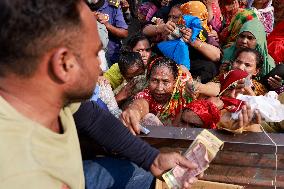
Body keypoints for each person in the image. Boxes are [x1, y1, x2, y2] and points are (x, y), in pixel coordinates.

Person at [0, 0, 201, 188]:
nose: (101, 66)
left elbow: (94, 118)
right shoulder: (18, 173)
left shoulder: (50, 94)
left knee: (143, 174)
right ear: (63, 64)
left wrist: (152, 159)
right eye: (96, 53)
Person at [121, 57, 221, 133]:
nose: (159, 88)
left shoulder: (185, 91)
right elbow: (141, 103)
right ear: (149, 79)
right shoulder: (146, 92)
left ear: (175, 81)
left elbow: (217, 90)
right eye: (154, 80)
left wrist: (196, 86)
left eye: (165, 82)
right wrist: (134, 111)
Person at [143, 4, 221, 83]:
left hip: (190, 69)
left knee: (210, 67)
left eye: (175, 18)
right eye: (169, 17)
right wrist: (160, 29)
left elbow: (217, 56)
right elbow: (144, 31)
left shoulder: (199, 31)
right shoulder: (164, 30)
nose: (170, 21)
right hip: (166, 67)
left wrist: (192, 40)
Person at [87, 0, 129, 65]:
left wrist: (106, 24)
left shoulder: (112, 6)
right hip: (88, 57)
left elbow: (124, 33)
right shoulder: (78, 7)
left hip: (111, 55)